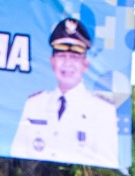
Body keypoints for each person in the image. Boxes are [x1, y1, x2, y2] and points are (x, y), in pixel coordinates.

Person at [10, 18, 119, 167]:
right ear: (52, 61)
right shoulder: (34, 104)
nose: (67, 63)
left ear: (85, 64)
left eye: (74, 57)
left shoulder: (103, 111)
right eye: (61, 56)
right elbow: (17, 150)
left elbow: (108, 159)